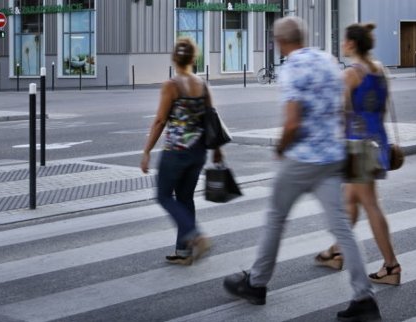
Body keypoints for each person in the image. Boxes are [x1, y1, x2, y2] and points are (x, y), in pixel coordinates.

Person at [222, 17, 381, 321]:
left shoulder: (290, 68)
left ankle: (256, 284)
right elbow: (343, 107)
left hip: (302, 158)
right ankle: (364, 298)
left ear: (281, 42)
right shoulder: (328, 59)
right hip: (332, 156)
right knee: (342, 227)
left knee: (275, 218)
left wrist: (281, 148)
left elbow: (293, 121)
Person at [315, 23, 401, 286]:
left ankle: (391, 266)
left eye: (344, 40)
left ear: (351, 44)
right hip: (377, 142)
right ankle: (336, 251)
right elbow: (382, 109)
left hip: (357, 147)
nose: (342, 44)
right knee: (350, 200)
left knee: (371, 204)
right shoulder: (380, 70)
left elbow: (336, 113)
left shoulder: (352, 73)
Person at [140, 38, 221, 266]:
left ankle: (195, 235)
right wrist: (216, 150)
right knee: (185, 198)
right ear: (194, 59)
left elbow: (159, 121)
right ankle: (183, 252)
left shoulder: (171, 86)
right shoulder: (203, 85)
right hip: (198, 152)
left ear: (174, 58)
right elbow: (211, 118)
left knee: (164, 196)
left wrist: (146, 151)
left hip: (176, 152)